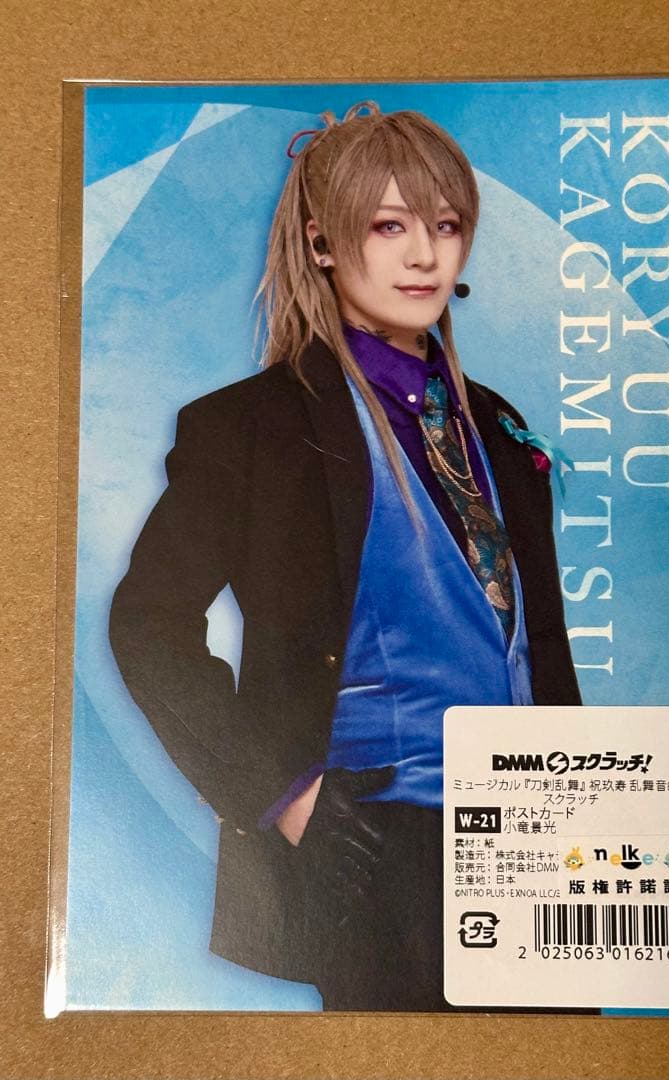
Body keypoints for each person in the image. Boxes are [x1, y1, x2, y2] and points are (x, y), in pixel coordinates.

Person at [109, 100, 581, 1011]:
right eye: (388, 226)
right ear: (323, 242)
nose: (425, 255)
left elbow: (531, 647)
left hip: (540, 845)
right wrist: (282, 796)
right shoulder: (251, 427)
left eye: (446, 225)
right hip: (373, 847)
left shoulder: (495, 421)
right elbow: (147, 626)